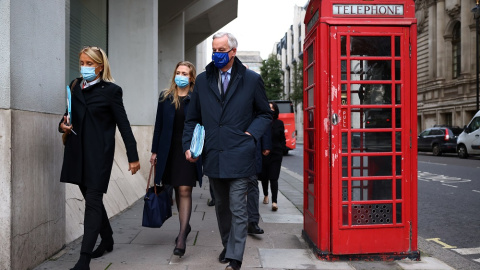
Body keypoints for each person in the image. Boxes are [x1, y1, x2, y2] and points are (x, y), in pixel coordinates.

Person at [182, 32, 272, 270]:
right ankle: (228, 245)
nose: (216, 54)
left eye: (221, 50)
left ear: (233, 51)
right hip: (213, 153)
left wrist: (251, 135)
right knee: (222, 207)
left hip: (240, 152)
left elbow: (265, 113)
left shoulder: (251, 80)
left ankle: (235, 258)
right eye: (214, 50)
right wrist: (189, 146)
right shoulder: (202, 80)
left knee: (238, 207)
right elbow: (192, 119)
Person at [59, 46, 140, 270]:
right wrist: (62, 125)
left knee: (93, 201)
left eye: (90, 64)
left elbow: (123, 125)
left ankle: (84, 259)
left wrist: (133, 156)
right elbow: (65, 117)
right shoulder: (75, 86)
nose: (85, 67)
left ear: (100, 66)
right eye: (82, 63)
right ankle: (107, 238)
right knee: (91, 199)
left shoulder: (112, 91)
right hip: (77, 152)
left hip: (98, 155)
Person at [150, 61, 203, 257]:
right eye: (178, 72)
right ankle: (185, 226)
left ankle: (181, 236)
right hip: (168, 150)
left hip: (187, 150)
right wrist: (154, 151)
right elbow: (159, 126)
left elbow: (201, 127)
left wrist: (198, 150)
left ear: (191, 77)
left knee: (185, 189)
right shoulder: (165, 97)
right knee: (172, 187)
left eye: (185, 73)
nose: (180, 75)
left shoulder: (196, 98)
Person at [260, 102, 286, 211]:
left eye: (272, 108)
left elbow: (282, 139)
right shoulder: (262, 122)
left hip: (276, 154)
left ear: (276, 110)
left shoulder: (279, 123)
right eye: (269, 108)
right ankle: (266, 195)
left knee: (274, 178)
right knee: (264, 177)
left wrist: (281, 149)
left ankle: (274, 202)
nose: (271, 110)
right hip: (264, 154)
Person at [247, 127, 271, 234]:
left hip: (252, 145)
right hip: (232, 144)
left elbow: (264, 115)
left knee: (252, 184)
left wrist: (266, 144)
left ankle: (252, 222)